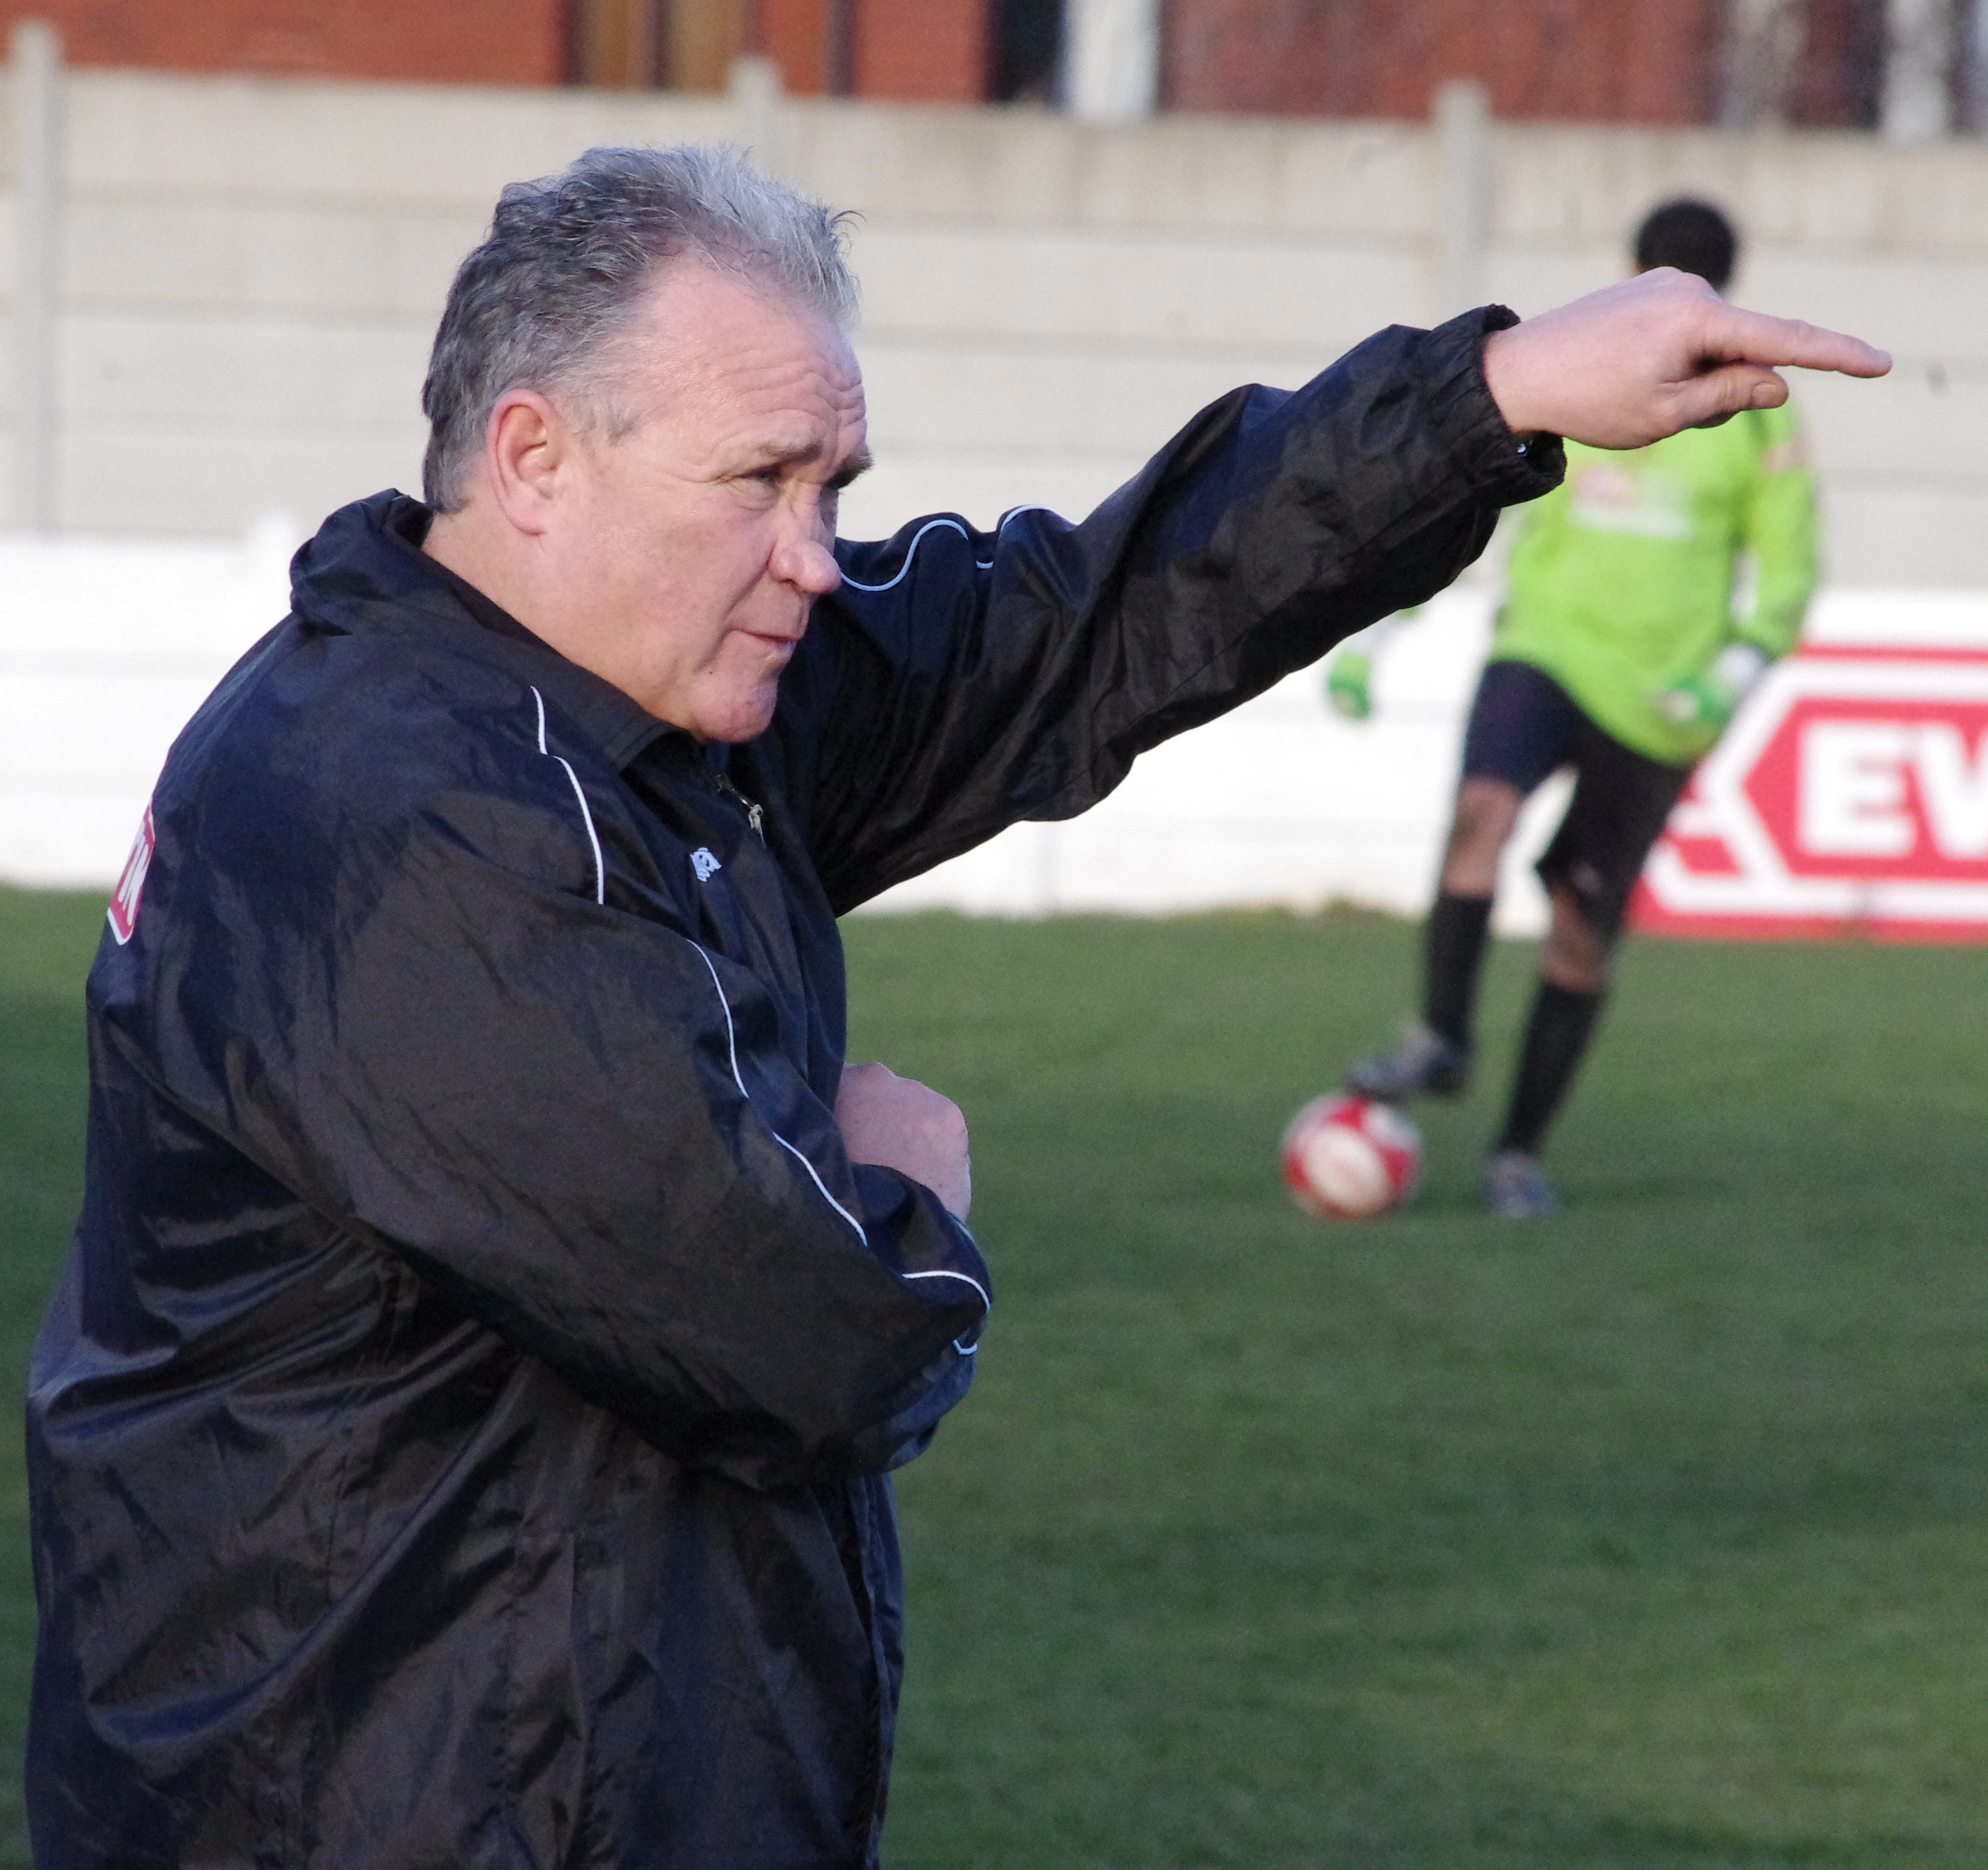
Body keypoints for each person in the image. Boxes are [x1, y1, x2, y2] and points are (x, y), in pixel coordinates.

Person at [25, 148, 1882, 1869]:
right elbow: (805, 1330)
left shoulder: (648, 712)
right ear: (531, 458)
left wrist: (1487, 403)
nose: (815, 554)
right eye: (759, 482)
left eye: (836, 486)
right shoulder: (405, 821)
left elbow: (1074, 622)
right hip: (372, 1807)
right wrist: (912, 1197)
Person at [1336, 199, 1820, 1217]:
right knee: (1484, 813)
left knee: (1578, 932)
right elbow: (1461, 509)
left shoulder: (1761, 414)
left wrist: (1723, 679)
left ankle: (1516, 1154)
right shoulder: (1580, 369)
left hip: (1660, 701)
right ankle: (1442, 1036)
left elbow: (1789, 570)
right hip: (1544, 649)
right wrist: (1379, 633)